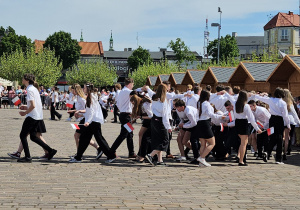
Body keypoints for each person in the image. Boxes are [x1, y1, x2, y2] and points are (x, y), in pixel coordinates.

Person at [69, 83, 116, 163]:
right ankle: (78, 157)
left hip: (94, 122)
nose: (83, 89)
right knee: (84, 139)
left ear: (88, 89)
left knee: (99, 139)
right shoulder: (91, 96)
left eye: (84, 88)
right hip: (92, 121)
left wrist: (87, 121)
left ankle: (111, 156)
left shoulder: (90, 97)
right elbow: (89, 110)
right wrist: (81, 113)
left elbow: (91, 111)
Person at [18, 73, 57, 162]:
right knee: (33, 136)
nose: (22, 80)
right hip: (37, 116)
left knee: (23, 135)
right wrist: (26, 107)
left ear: (27, 80)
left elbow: (33, 105)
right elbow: (35, 105)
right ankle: (50, 150)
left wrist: (25, 113)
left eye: (23, 79)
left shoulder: (30, 90)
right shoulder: (34, 89)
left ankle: (27, 157)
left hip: (32, 116)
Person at [224, 90, 262, 166]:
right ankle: (241, 160)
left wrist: (224, 92)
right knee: (243, 144)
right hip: (244, 123)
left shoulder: (235, 103)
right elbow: (251, 119)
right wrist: (257, 128)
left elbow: (230, 97)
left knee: (242, 142)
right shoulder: (246, 106)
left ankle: (241, 158)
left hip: (237, 123)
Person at [254, 88, 290, 164]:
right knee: (279, 138)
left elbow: (261, 98)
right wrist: (288, 124)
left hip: (272, 119)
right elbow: (285, 115)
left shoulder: (271, 100)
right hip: (279, 120)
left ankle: (267, 152)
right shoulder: (283, 103)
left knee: (272, 137)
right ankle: (278, 158)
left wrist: (256, 95)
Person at [196, 90, 225, 167]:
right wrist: (220, 117)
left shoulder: (199, 103)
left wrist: (217, 93)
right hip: (205, 123)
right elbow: (210, 114)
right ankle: (202, 158)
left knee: (203, 144)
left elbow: (211, 96)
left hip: (199, 122)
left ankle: (201, 162)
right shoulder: (206, 104)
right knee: (212, 143)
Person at [109, 78, 136, 160]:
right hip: (126, 116)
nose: (133, 86)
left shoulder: (122, 92)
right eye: (132, 84)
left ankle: (131, 152)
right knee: (123, 134)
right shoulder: (126, 91)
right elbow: (134, 92)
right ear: (130, 84)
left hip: (125, 115)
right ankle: (111, 151)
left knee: (130, 134)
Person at [145, 84, 172, 166]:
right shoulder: (163, 102)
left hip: (154, 120)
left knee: (157, 140)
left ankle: (160, 160)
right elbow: (165, 116)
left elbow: (150, 92)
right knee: (165, 140)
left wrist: (147, 88)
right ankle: (151, 155)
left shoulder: (154, 98)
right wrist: (168, 127)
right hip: (161, 121)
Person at [130, 94, 153, 162]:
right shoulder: (141, 105)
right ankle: (140, 153)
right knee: (140, 135)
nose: (133, 105)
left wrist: (141, 117)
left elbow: (151, 116)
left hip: (150, 121)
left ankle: (141, 154)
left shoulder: (145, 105)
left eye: (134, 103)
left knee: (143, 136)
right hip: (146, 120)